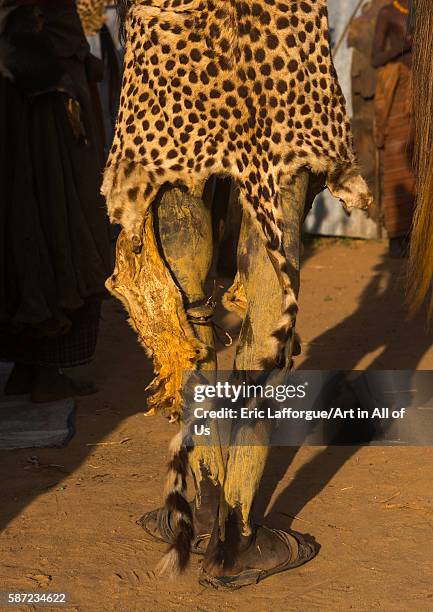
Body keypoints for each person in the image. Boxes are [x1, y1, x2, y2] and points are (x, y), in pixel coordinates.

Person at [107, 0, 371, 589]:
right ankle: (237, 535)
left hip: (171, 41)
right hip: (278, 41)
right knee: (267, 280)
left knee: (186, 292)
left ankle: (204, 501)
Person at [0, 1, 111, 402]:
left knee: (31, 208)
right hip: (43, 84)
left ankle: (28, 368)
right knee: (59, 211)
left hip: (35, 73)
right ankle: (45, 371)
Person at [372, 0, 415, 257]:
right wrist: (403, 47)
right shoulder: (387, 12)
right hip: (399, 94)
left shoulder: (423, 12)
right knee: (397, 158)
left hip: (424, 88)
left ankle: (418, 233)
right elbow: (375, 57)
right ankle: (397, 235)